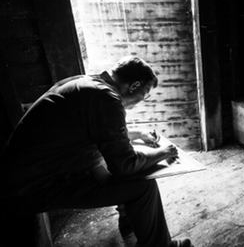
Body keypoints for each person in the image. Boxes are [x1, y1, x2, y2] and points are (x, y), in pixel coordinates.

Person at [0, 56, 194, 247]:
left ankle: (132, 229)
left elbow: (96, 132)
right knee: (142, 185)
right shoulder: (107, 99)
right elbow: (126, 165)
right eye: (145, 94)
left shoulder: (85, 83)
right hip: (30, 190)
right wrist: (164, 151)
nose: (141, 101)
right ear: (134, 86)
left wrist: (136, 134)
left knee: (112, 168)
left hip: (21, 178)